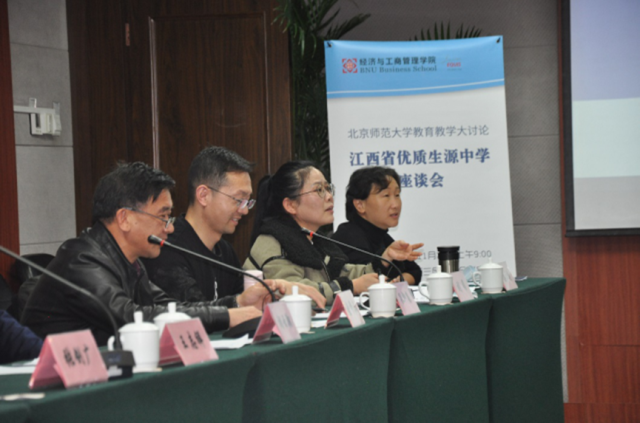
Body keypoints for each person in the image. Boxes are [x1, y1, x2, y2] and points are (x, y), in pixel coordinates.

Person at [20, 162, 309, 346]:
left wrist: (237, 302)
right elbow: (131, 316)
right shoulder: (83, 259)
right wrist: (227, 316)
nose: (169, 228)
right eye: (162, 216)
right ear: (125, 218)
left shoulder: (129, 261)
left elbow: (171, 308)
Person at [142, 147, 324, 307]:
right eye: (238, 200)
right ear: (204, 195)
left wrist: (281, 289)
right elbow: (193, 313)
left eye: (248, 201)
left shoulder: (225, 251)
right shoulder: (168, 249)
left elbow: (249, 301)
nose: (244, 211)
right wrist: (239, 303)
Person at [244, 161, 422, 305]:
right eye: (319, 190)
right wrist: (350, 287)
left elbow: (344, 272)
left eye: (328, 188)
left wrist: (384, 259)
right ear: (290, 205)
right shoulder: (271, 241)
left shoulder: (315, 239)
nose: (329, 196)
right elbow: (294, 292)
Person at [333, 167, 423, 285]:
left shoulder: (381, 235)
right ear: (360, 205)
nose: (395, 204)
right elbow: (369, 279)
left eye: (397, 195)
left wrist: (397, 281)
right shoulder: (348, 236)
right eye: (386, 195)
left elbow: (415, 271)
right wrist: (394, 282)